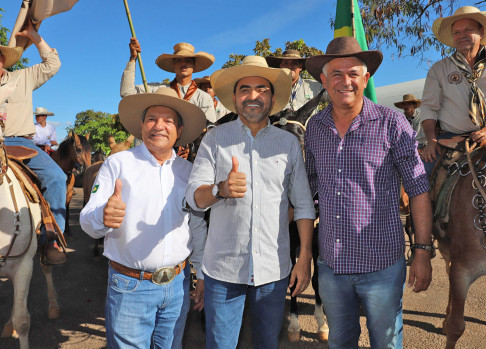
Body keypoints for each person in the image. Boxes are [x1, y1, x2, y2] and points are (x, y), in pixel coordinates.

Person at [304, 36, 433, 348]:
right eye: (336, 73)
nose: (344, 81)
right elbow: (306, 193)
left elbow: (417, 189)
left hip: (382, 267)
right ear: (324, 80)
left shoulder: (393, 123)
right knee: (340, 342)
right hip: (331, 267)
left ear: (367, 78)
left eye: (353, 73)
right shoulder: (314, 129)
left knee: (386, 344)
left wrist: (423, 252)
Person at [185, 55, 316, 349]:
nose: (253, 96)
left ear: (272, 98)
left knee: (268, 344)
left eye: (262, 89)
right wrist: (220, 189)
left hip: (274, 271)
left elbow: (305, 206)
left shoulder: (289, 143)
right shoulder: (214, 138)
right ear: (234, 97)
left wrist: (304, 257)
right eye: (245, 89)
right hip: (223, 271)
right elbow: (193, 196)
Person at [80, 87, 208, 349]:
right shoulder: (118, 164)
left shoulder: (189, 171)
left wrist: (202, 273)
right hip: (129, 287)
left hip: (178, 286)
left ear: (179, 130)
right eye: (152, 119)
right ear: (141, 126)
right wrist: (103, 216)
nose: (159, 126)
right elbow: (87, 222)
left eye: (168, 120)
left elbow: (195, 224)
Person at [420, 6, 486, 176]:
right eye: (456, 32)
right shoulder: (438, 70)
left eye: (468, 29)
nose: (461, 35)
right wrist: (431, 140)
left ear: (481, 32)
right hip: (452, 139)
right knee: (420, 177)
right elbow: (428, 108)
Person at [1, 21, 67, 265]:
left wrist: (35, 36)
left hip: (20, 142)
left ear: (3, 59)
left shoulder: (23, 77)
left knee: (58, 178)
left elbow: (53, 64)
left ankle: (52, 238)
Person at [121, 38, 217, 123]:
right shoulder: (157, 90)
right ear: (173, 65)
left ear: (194, 66)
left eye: (188, 60)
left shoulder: (204, 98)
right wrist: (133, 59)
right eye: (179, 60)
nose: (183, 64)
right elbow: (127, 93)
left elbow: (209, 128)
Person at [266, 49, 325, 113]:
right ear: (281, 66)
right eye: (286, 63)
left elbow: (335, 98)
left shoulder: (315, 86)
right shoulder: (272, 90)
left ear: (300, 67)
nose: (289, 66)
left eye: (294, 63)